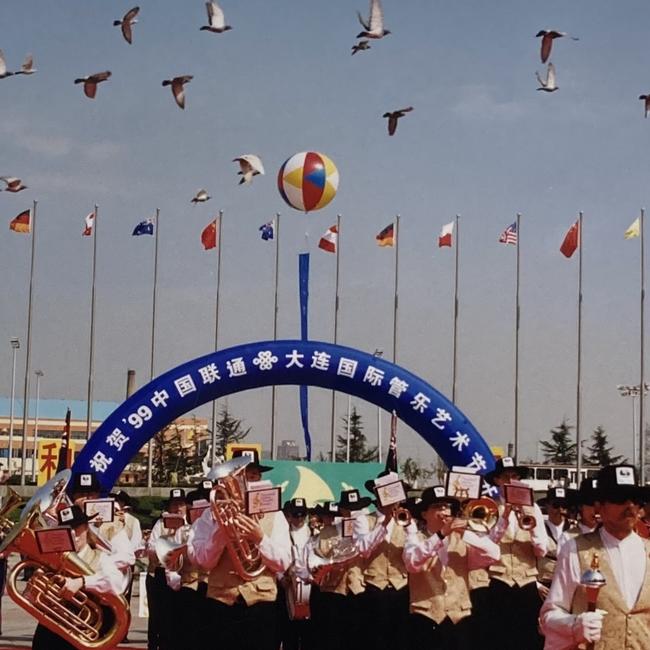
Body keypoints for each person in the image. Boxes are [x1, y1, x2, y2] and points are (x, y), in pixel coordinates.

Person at [540, 464, 650, 649]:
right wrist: (574, 625)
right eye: (619, 498)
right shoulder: (576, 549)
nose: (629, 506)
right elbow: (550, 614)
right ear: (600, 506)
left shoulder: (647, 551)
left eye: (635, 500)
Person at [188, 462, 291, 650]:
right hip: (221, 602)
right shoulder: (209, 517)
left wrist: (260, 539)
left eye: (252, 477)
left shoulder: (275, 515)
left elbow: (283, 562)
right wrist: (221, 533)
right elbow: (203, 562)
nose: (245, 483)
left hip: (261, 603)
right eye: (239, 477)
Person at [403, 485, 500, 650]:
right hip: (426, 616)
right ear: (424, 514)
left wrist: (465, 532)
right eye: (436, 506)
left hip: (459, 616)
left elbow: (494, 554)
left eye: (447, 507)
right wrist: (440, 535)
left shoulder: (463, 540)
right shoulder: (415, 539)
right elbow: (412, 563)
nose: (444, 511)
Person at [32, 505, 129, 650]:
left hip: (86, 629)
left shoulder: (100, 557)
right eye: (66, 529)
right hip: (54, 624)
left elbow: (116, 583)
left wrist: (82, 581)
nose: (72, 533)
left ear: (85, 528)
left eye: (76, 528)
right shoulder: (54, 559)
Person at [484, 457, 548, 650]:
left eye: (515, 476)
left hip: (526, 581)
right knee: (499, 637)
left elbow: (541, 549)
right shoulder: (489, 507)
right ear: (497, 480)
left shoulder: (533, 508)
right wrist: (504, 518)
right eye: (506, 477)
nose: (511, 481)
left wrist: (530, 525)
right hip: (498, 580)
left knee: (527, 637)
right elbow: (487, 546)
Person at [354, 472, 410, 650]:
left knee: (401, 640)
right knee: (374, 640)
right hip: (373, 588)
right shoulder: (364, 519)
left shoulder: (407, 520)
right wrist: (384, 523)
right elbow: (363, 548)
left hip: (401, 587)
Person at [308, 489, 369, 650]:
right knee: (333, 638)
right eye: (348, 509)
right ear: (342, 510)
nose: (351, 513)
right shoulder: (326, 533)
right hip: (333, 591)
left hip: (357, 588)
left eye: (355, 509)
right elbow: (313, 559)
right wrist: (328, 562)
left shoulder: (367, 527)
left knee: (357, 637)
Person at [146, 488, 188, 650]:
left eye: (181, 504)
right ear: (169, 506)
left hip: (183, 574)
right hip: (160, 574)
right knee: (158, 615)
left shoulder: (191, 523)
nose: (178, 508)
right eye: (174, 504)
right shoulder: (160, 523)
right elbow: (151, 546)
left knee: (179, 615)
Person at [279, 497, 315, 650]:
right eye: (295, 515)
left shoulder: (314, 532)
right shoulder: (282, 533)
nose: (299, 518)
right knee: (289, 630)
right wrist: (281, 577)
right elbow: (276, 557)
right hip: (289, 585)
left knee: (309, 630)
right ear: (289, 515)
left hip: (310, 585)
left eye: (302, 515)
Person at [537, 486, 574, 597]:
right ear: (547, 506)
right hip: (544, 586)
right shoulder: (538, 529)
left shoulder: (575, 529)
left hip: (569, 586)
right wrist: (537, 586)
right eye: (556, 506)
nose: (560, 510)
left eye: (564, 506)